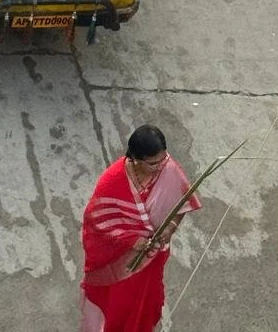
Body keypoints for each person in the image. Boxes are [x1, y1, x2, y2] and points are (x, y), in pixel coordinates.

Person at [81, 125, 201, 332]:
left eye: (163, 159)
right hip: (123, 262)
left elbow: (181, 202)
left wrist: (170, 227)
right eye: (153, 163)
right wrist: (131, 241)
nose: (160, 166)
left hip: (152, 258)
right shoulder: (112, 180)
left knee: (146, 303)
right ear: (135, 159)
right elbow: (96, 219)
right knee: (121, 306)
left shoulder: (168, 168)